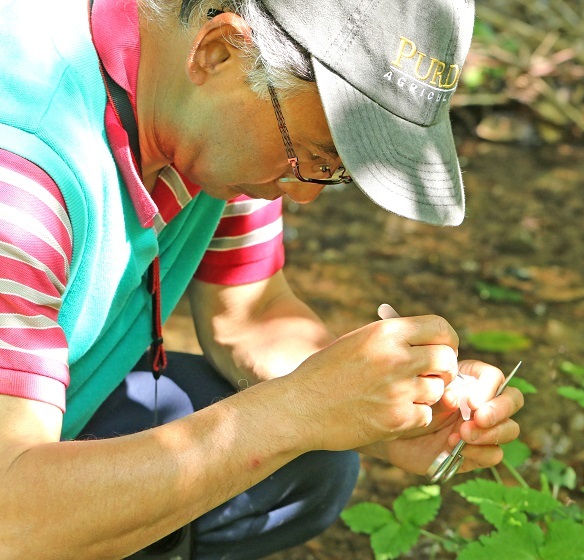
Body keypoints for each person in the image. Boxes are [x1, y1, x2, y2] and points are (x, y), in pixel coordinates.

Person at [0, 0, 525, 558]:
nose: (304, 193)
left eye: (338, 170)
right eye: (313, 156)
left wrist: (390, 406)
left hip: (48, 415)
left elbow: (250, 313)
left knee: (307, 466)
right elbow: (8, 519)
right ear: (219, 50)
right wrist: (296, 410)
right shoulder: (23, 180)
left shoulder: (207, 113)